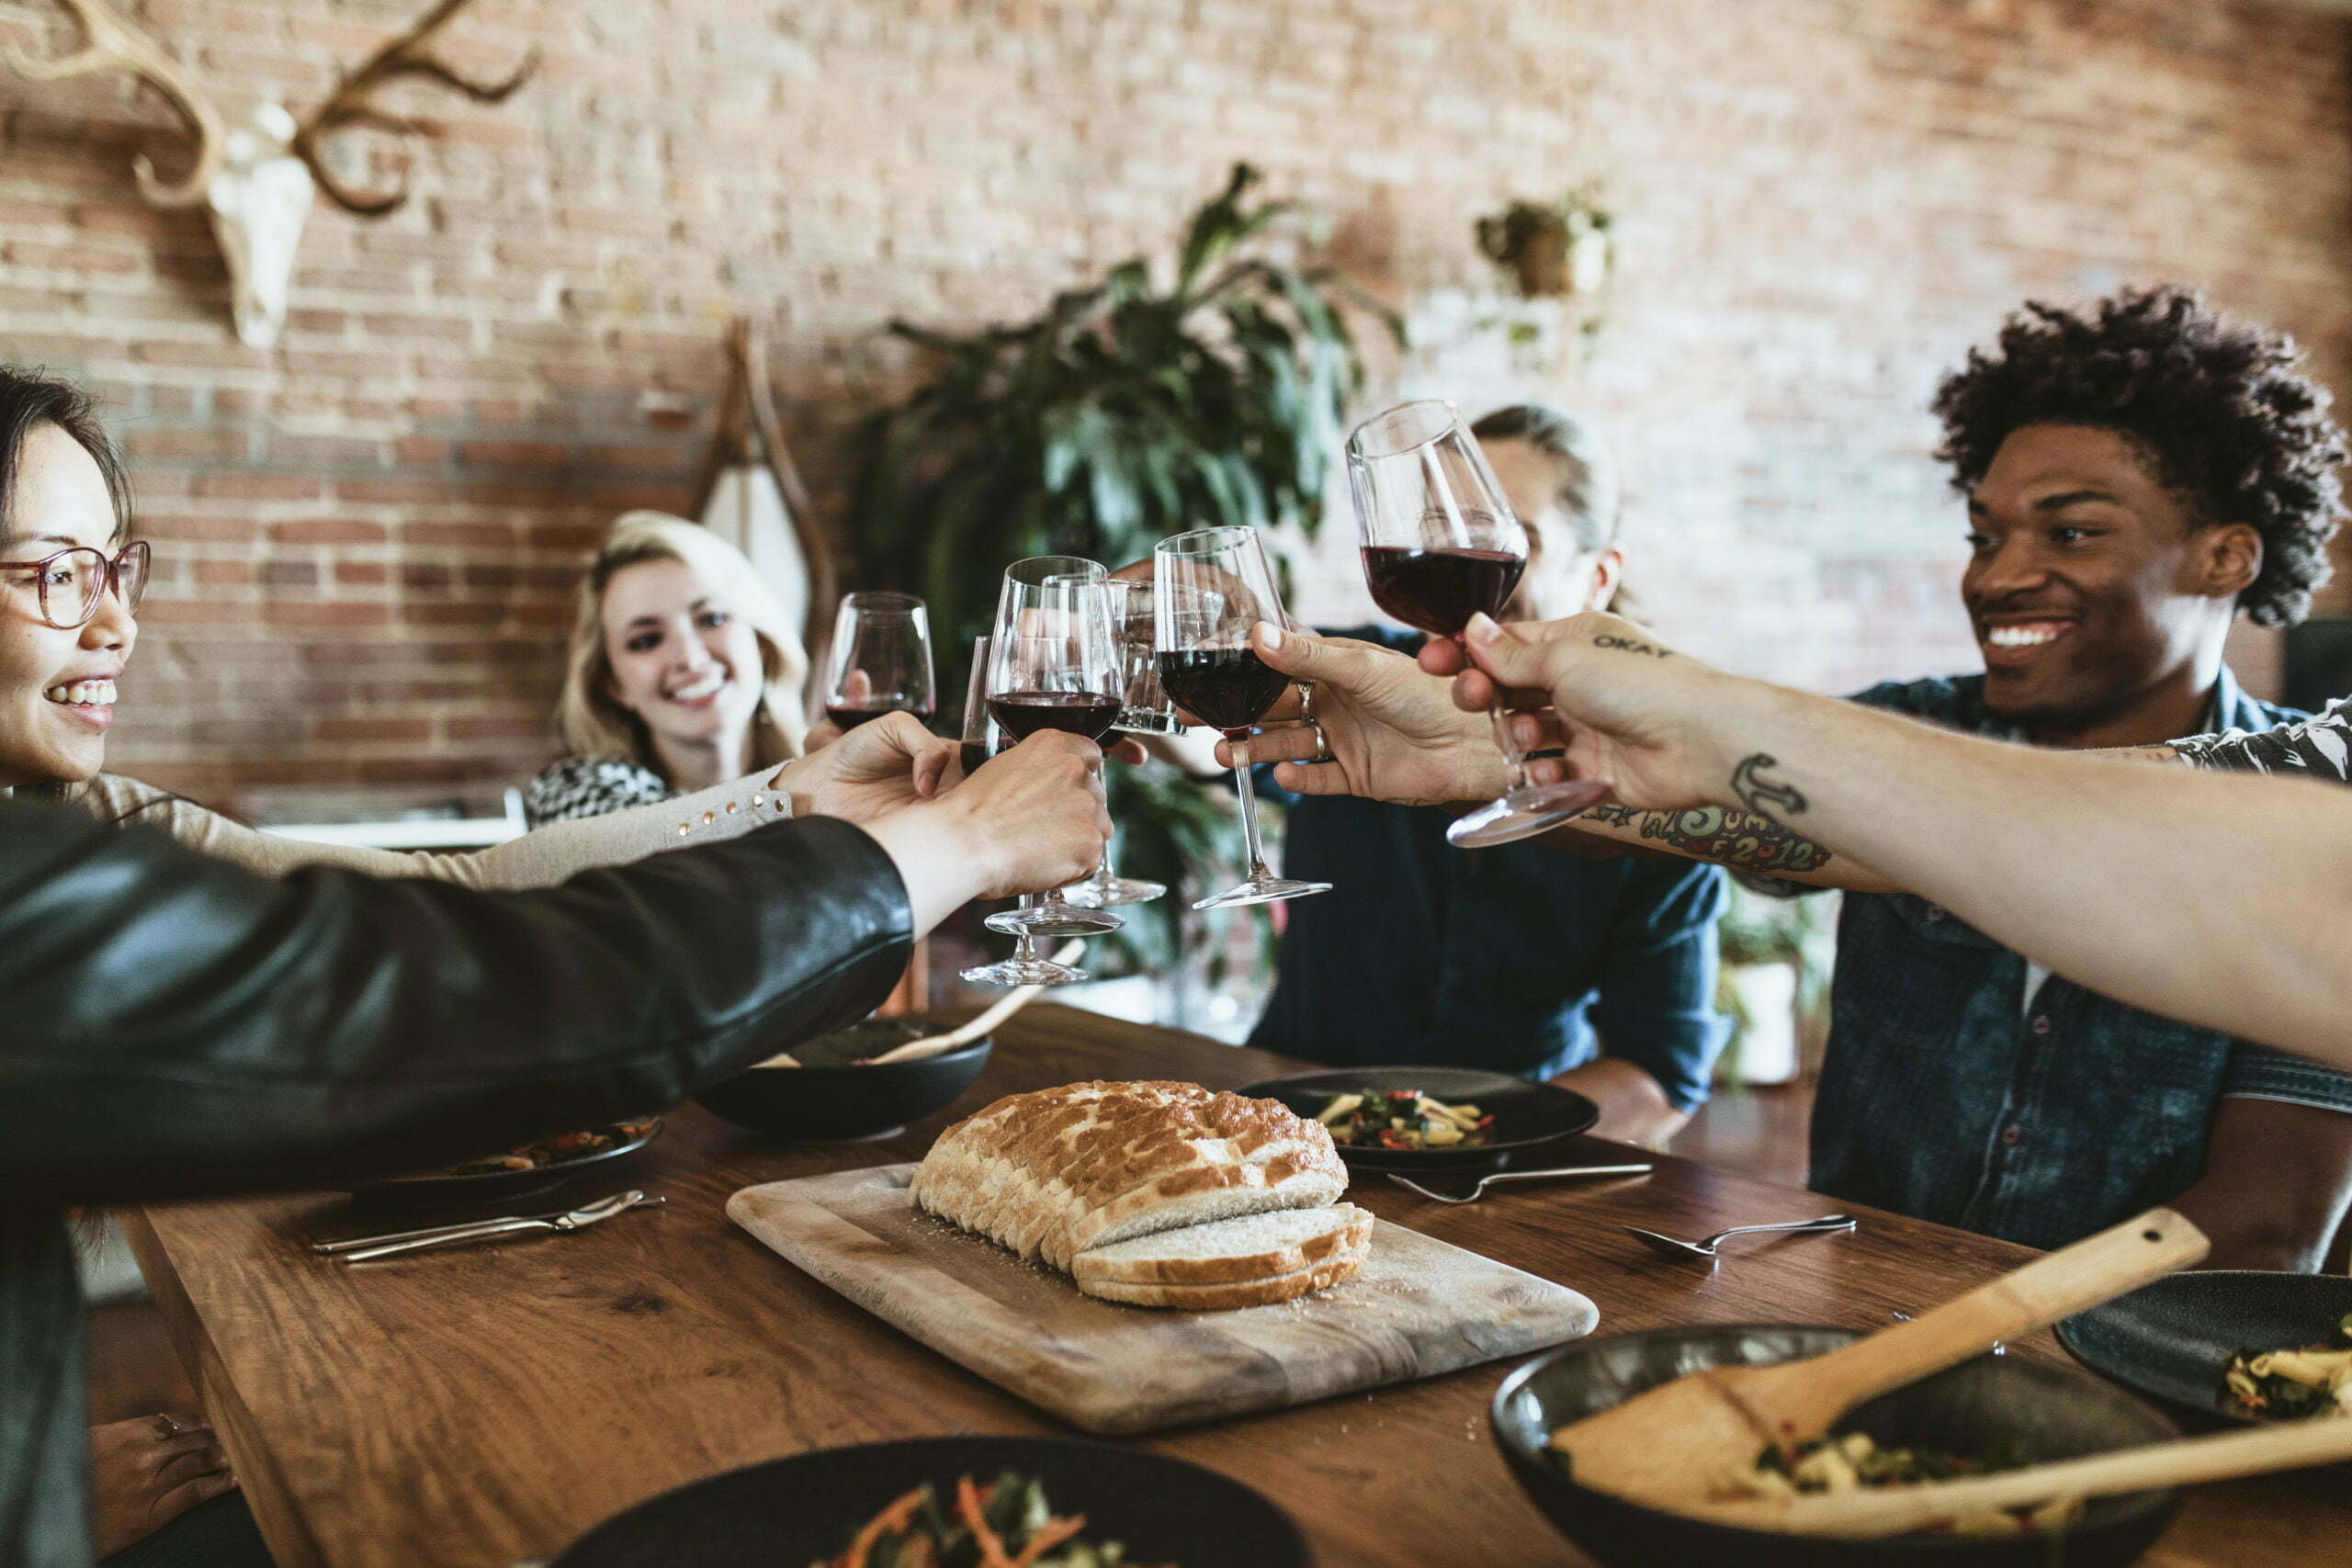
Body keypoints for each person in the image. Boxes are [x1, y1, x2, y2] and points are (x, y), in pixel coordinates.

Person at [1234, 291, 2352, 1264]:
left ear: (2225, 556)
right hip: (1851, 1305)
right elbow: (1762, 810)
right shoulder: (1901, 731)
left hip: (2135, 1372)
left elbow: (2272, 1218)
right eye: (1981, 536)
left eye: (2070, 534)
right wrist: (1481, 753)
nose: (1998, 577)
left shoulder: (2306, 802)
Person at [0, 698, 1110, 1568]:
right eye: (46, 569)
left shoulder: (78, 820)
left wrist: (787, 800)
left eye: (114, 565)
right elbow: (465, 995)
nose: (111, 620)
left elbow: (461, 893)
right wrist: (950, 847)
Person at [1174, 406, 1725, 1145]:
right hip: (1283, 1123)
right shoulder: (1365, 680)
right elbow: (1209, 735)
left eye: (1509, 534)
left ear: (1598, 577)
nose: (1465, 556)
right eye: (1443, 532)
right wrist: (1150, 670)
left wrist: (1444, 1141)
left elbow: (1658, 1075)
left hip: (1502, 1158)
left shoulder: (1651, 784)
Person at [525, 511, 808, 827]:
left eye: (712, 619)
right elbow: (650, 841)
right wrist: (808, 795)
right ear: (613, 684)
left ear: (760, 640)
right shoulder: (573, 790)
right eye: (646, 641)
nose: (690, 658)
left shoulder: (819, 766)